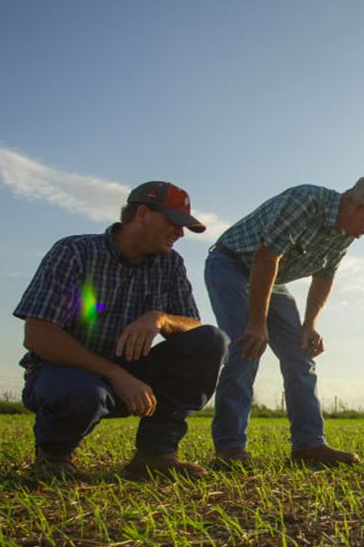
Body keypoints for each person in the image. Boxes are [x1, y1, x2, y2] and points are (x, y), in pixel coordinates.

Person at [14, 181, 227, 479]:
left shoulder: (170, 264)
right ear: (141, 213)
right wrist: (116, 374)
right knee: (81, 392)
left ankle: (156, 455)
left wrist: (159, 319)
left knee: (211, 340)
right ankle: (54, 456)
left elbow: (192, 326)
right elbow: (38, 334)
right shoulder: (74, 251)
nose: (180, 233)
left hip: (132, 374)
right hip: (67, 373)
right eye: (174, 222)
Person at [205, 177, 364, 467]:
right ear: (357, 207)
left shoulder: (345, 233)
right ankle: (230, 447)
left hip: (274, 280)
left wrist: (309, 324)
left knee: (301, 356)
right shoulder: (305, 201)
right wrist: (257, 323)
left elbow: (324, 277)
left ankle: (309, 445)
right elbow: (266, 256)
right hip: (232, 265)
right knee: (248, 348)